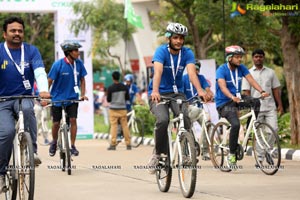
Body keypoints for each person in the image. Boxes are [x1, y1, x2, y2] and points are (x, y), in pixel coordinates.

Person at [147, 22, 210, 173]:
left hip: (177, 94)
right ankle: (159, 154)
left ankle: (187, 152)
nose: (179, 41)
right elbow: (158, 73)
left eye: (181, 38)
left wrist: (200, 90)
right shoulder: (161, 52)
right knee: (163, 120)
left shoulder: (187, 53)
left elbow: (192, 73)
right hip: (159, 93)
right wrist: (155, 91)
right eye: (176, 38)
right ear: (169, 38)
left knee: (185, 117)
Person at [0, 16, 50, 193]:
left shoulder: (31, 51)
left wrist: (43, 90)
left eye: (20, 31)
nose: (17, 33)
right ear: (4, 33)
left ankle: (32, 153)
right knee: (6, 132)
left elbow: (40, 72)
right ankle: (1, 172)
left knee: (29, 110)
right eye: (13, 30)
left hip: (24, 97)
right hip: (3, 101)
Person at [215, 45, 269, 169]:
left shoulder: (241, 68)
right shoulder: (221, 70)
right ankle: (232, 154)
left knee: (256, 102)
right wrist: (231, 96)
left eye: (241, 57)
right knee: (235, 124)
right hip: (225, 103)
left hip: (238, 99)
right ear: (229, 58)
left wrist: (261, 91)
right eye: (237, 57)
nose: (240, 60)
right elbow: (222, 87)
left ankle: (251, 128)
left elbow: (251, 80)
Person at [48, 41, 88, 157]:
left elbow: (82, 79)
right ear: (69, 53)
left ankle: (73, 145)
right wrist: (46, 95)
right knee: (56, 123)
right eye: (76, 50)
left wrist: (83, 94)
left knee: (73, 120)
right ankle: (54, 142)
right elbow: (50, 80)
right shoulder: (58, 65)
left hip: (72, 99)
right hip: (57, 99)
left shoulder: (79, 64)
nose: (78, 53)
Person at [242, 48, 283, 161]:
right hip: (256, 108)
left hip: (270, 107)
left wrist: (280, 104)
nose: (258, 58)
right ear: (253, 58)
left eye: (260, 56)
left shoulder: (271, 72)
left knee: (273, 130)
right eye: (256, 56)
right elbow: (246, 91)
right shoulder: (248, 73)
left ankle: (268, 151)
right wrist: (249, 105)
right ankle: (260, 158)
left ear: (263, 58)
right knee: (258, 134)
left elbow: (275, 89)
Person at [182, 59, 214, 160]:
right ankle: (187, 153)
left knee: (207, 124)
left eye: (197, 69)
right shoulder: (183, 79)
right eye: (193, 69)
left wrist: (209, 94)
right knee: (186, 129)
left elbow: (208, 89)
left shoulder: (201, 78)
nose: (195, 71)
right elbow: (181, 93)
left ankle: (205, 152)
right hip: (188, 109)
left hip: (199, 109)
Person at [106, 71, 131, 150]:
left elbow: (108, 100)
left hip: (113, 109)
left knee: (114, 126)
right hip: (123, 109)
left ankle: (113, 144)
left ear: (113, 78)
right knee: (125, 126)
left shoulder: (110, 88)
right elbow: (127, 98)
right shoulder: (124, 87)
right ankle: (128, 144)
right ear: (119, 77)